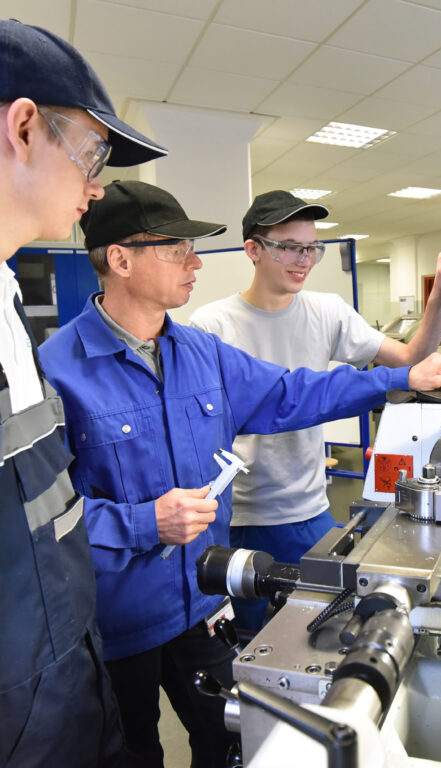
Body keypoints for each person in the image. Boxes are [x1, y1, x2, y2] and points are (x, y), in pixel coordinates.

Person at [37, 179, 441, 767]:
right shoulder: (56, 371)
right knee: (130, 753)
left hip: (202, 603)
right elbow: (39, 521)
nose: (194, 263)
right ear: (120, 259)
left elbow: (295, 392)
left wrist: (398, 379)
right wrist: (144, 521)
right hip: (115, 624)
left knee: (235, 740)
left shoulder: (199, 352)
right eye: (176, 250)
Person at [0, 19, 167, 768]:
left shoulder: (8, 303)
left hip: (71, 690)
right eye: (93, 151)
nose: (97, 185)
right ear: (23, 127)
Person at [189, 190, 441, 630]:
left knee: (322, 630)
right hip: (240, 516)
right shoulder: (211, 326)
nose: (302, 259)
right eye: (288, 247)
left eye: (311, 248)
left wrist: (439, 300)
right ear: (253, 250)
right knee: (243, 639)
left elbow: (410, 361)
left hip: (308, 510)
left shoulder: (327, 312)